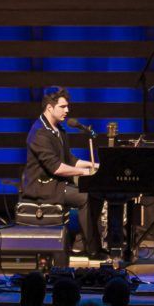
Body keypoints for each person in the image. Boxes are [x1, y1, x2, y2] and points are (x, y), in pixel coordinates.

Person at [23, 87, 105, 258]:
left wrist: (95, 165)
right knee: (86, 197)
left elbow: (70, 160)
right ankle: (91, 249)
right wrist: (84, 172)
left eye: (67, 106)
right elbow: (56, 167)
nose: (67, 110)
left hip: (57, 184)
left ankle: (83, 243)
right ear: (49, 108)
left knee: (96, 192)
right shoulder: (39, 132)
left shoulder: (59, 130)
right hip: (43, 187)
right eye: (63, 106)